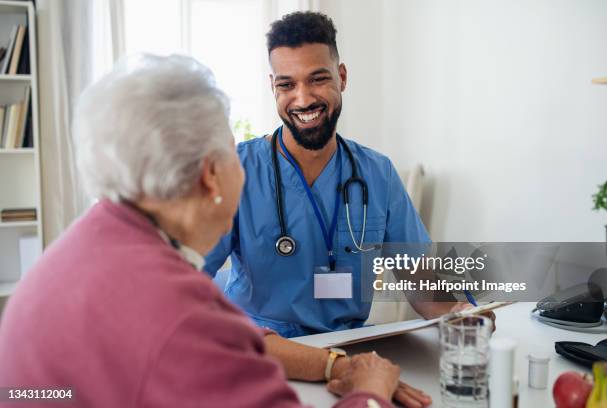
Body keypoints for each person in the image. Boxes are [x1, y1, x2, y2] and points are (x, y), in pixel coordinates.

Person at [0, 55, 404, 407]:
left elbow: (427, 271)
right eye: (233, 152)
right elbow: (195, 322)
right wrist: (369, 393)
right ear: (212, 174)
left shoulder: (86, 241)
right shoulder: (182, 316)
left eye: (318, 78)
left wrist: (464, 301)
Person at [205, 11, 483, 337]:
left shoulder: (377, 174)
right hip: (261, 353)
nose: (303, 98)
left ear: (342, 77)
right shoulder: (236, 171)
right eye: (287, 84)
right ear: (273, 88)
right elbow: (184, 273)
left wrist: (457, 313)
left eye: (318, 79)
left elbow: (421, 281)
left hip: (348, 349)